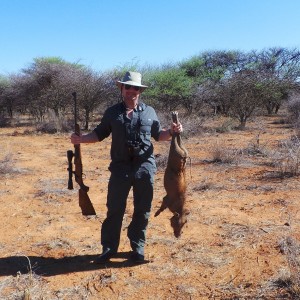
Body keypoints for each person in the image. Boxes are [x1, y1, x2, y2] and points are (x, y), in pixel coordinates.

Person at [71, 71, 183, 264]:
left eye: (136, 88)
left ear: (140, 90)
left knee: (143, 209)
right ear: (121, 88)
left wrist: (172, 132)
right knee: (115, 209)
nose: (132, 91)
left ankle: (137, 247)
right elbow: (99, 134)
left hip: (144, 168)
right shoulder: (112, 112)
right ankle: (108, 248)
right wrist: (81, 139)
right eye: (128, 87)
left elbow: (159, 135)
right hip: (120, 168)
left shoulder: (150, 112)